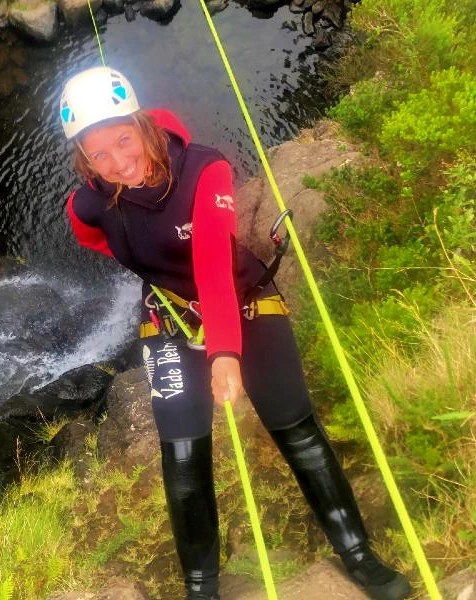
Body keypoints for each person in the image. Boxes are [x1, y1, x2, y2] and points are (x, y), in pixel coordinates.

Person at [60, 66, 412, 600]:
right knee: (181, 450)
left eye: (122, 141)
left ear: (140, 125)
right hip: (170, 315)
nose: (117, 164)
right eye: (97, 155)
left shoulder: (205, 170)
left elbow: (212, 268)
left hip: (241, 299)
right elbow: (92, 236)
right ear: (83, 159)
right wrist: (157, 269)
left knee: (294, 424)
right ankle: (201, 588)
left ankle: (357, 553)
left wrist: (224, 350)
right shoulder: (88, 201)